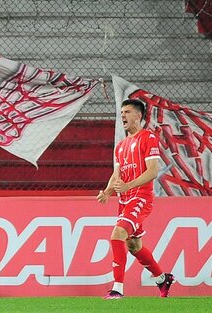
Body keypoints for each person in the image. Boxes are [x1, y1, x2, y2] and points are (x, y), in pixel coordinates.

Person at [97, 99, 175, 299]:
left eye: (127, 112)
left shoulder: (148, 137)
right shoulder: (121, 146)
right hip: (124, 199)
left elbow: (153, 171)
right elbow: (117, 175)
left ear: (138, 116)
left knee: (117, 234)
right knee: (134, 246)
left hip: (141, 197)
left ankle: (117, 289)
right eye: (121, 112)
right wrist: (106, 192)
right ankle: (161, 279)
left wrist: (128, 186)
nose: (122, 115)